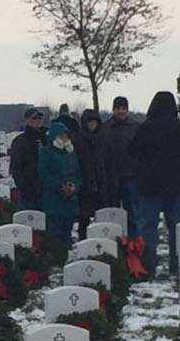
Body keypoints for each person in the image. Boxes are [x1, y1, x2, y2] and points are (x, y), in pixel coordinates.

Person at [127, 89, 180, 281]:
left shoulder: (146, 128)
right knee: (176, 226)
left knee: (149, 226)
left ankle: (149, 265)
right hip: (176, 184)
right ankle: (176, 264)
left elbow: (133, 150)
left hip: (150, 185)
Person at [38, 111, 83, 245]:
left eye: (66, 135)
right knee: (55, 236)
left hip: (70, 202)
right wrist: (60, 186)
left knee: (67, 234)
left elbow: (77, 173)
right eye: (61, 135)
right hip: (54, 200)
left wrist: (75, 185)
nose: (64, 137)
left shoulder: (71, 152)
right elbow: (44, 174)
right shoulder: (47, 152)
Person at [100, 95, 140, 223]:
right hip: (112, 175)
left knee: (133, 212)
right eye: (118, 108)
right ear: (113, 110)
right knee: (112, 212)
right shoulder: (105, 128)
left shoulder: (135, 127)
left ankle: (135, 241)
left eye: (124, 108)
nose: (121, 111)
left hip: (131, 174)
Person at [75, 106, 110, 236]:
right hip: (84, 184)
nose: (92, 125)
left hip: (100, 183)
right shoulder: (77, 140)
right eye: (89, 122)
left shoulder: (103, 139)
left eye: (94, 122)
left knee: (101, 218)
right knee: (83, 219)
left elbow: (108, 160)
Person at [8, 105, 47, 208]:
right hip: (28, 191)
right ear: (27, 120)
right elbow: (15, 168)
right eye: (34, 118)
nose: (37, 120)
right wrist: (24, 187)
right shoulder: (20, 141)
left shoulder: (46, 139)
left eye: (39, 117)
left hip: (46, 190)